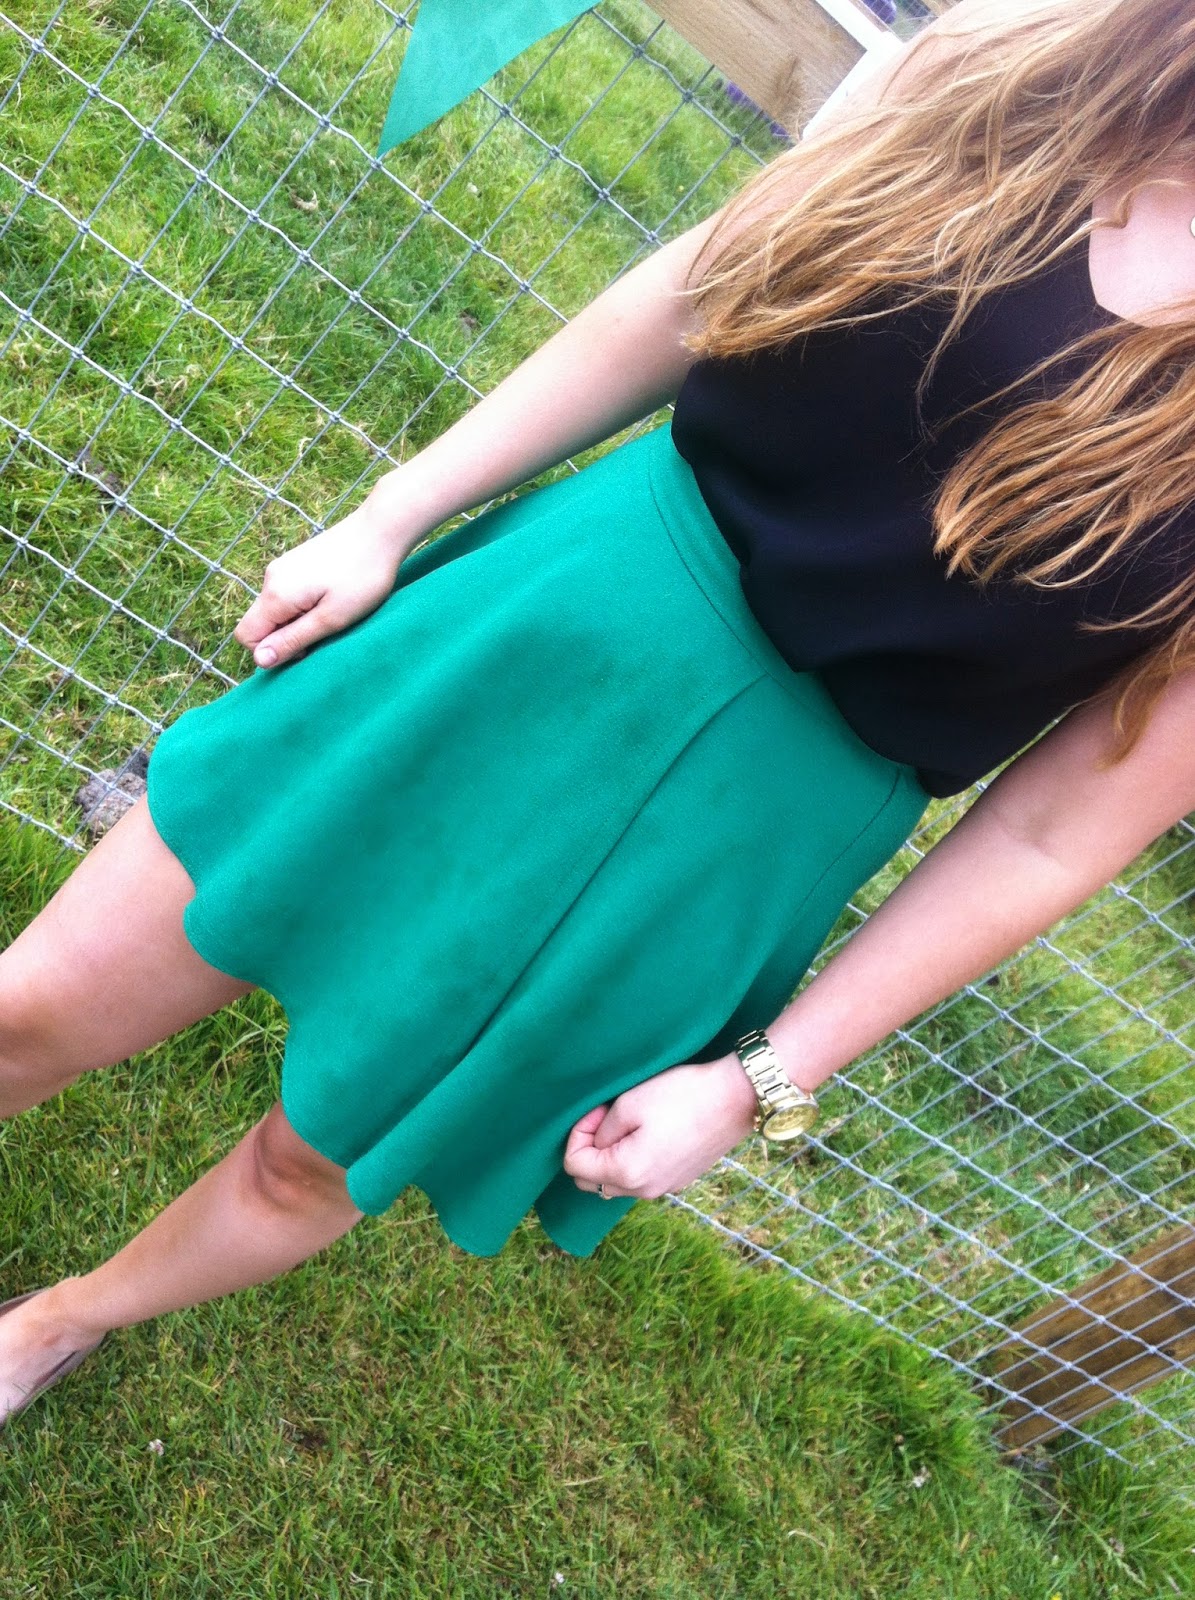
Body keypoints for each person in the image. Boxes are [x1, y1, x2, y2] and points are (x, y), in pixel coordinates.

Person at [2, 0, 1194, 1423]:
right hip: (544, 623)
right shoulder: (1026, 58)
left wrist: (759, 1081)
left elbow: (1059, 831)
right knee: (45, 999)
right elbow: (694, 295)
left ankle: (56, 1326)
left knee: (315, 1160)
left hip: (731, 844)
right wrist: (391, 514)